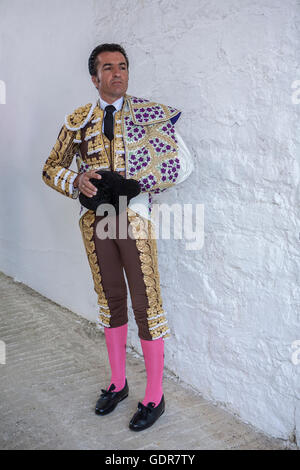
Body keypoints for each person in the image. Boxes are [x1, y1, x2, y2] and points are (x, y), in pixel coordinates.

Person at [42, 43, 194, 431]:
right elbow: (50, 167)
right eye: (108, 68)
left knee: (147, 303)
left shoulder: (149, 113)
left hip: (135, 217)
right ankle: (118, 382)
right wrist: (74, 179)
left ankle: (155, 396)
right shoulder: (78, 120)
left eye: (122, 66)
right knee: (110, 299)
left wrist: (139, 184)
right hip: (95, 221)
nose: (118, 73)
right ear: (94, 77)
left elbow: (183, 164)